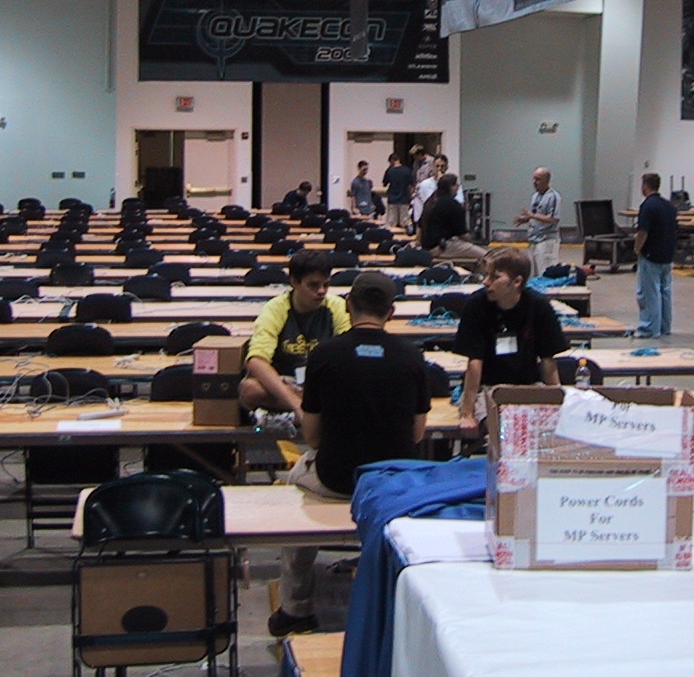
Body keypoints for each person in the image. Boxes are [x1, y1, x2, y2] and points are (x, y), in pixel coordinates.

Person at [270, 270, 431, 637]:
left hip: (337, 478)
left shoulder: (324, 356)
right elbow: (418, 433)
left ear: (347, 305)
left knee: (294, 495)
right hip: (392, 482)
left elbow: (311, 436)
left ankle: (295, 609)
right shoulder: (411, 358)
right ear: (391, 313)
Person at [455, 247, 567, 434]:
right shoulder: (476, 305)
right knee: (503, 429)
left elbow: (548, 362)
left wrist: (556, 406)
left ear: (517, 282)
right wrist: (466, 413)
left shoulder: (539, 306)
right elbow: (474, 363)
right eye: (486, 275)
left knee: (545, 429)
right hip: (488, 389)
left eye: (495, 277)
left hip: (529, 387)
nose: (486, 282)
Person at [239, 251, 350, 425]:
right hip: (285, 384)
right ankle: (312, 412)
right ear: (294, 283)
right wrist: (296, 403)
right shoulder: (275, 309)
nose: (321, 291)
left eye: (326, 285)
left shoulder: (337, 306)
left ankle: (306, 412)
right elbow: (256, 361)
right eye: (313, 285)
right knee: (250, 389)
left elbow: (349, 354)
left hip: (322, 384)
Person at [634, 171, 678, 338]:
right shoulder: (669, 206)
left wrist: (637, 249)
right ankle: (665, 326)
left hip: (651, 255)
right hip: (667, 255)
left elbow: (643, 232)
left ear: (645, 186)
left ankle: (650, 328)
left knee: (649, 293)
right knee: (665, 292)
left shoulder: (647, 206)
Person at [418, 172, 487, 270]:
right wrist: (474, 242)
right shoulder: (452, 204)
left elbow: (420, 227)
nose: (458, 186)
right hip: (443, 246)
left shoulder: (430, 201)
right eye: (455, 184)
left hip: (428, 247)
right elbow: (462, 234)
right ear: (450, 187)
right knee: (487, 256)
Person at [515, 167, 562, 276]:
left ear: (546, 181)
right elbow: (537, 215)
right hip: (534, 240)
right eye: (534, 179)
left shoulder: (553, 197)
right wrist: (526, 219)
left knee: (545, 274)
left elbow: (553, 219)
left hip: (546, 241)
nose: (534, 182)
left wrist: (532, 215)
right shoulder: (535, 196)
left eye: (538, 179)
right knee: (532, 275)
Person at [382, 152, 415, 232]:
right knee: (404, 222)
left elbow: (384, 183)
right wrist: (410, 197)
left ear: (392, 161)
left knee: (391, 223)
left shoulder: (389, 171)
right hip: (404, 199)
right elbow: (411, 185)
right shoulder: (407, 171)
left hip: (392, 199)